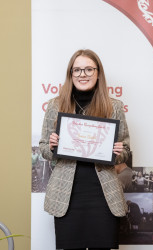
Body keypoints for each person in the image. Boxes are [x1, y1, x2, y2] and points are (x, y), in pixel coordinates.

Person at [39, 49, 131, 250]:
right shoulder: (55, 105)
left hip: (103, 196)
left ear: (98, 73)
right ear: (70, 74)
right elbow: (44, 149)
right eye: (77, 70)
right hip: (67, 195)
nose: (83, 74)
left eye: (89, 69)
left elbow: (126, 151)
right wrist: (53, 146)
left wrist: (118, 151)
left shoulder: (114, 106)